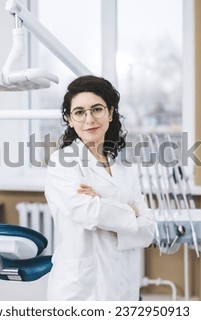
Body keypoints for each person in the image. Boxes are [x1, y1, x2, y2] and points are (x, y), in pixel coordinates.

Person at [44, 75, 155, 300]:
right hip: (81, 290)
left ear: (110, 113)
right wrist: (131, 213)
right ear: (69, 119)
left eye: (97, 109)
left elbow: (148, 230)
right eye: (79, 112)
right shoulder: (62, 163)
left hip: (123, 285)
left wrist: (104, 204)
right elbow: (87, 212)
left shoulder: (125, 172)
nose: (89, 119)